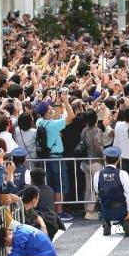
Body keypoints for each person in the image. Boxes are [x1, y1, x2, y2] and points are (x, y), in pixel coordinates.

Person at [35, 93, 75, 221]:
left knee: (49, 184)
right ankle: (59, 211)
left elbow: (53, 115)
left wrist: (54, 102)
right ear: (47, 111)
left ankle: (50, 209)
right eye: (49, 107)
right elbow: (71, 116)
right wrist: (66, 101)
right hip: (56, 158)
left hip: (45, 158)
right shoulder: (53, 125)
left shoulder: (39, 122)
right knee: (60, 184)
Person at [94, 147, 129, 237]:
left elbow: (97, 191)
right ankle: (125, 220)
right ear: (118, 160)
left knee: (102, 200)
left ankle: (106, 222)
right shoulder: (122, 173)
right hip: (121, 209)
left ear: (105, 159)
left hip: (105, 209)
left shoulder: (98, 174)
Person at [79, 109, 103, 220]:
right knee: (95, 186)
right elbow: (98, 145)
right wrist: (102, 156)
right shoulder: (97, 130)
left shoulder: (83, 130)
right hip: (95, 161)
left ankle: (86, 209)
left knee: (88, 186)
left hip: (85, 162)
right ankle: (90, 210)